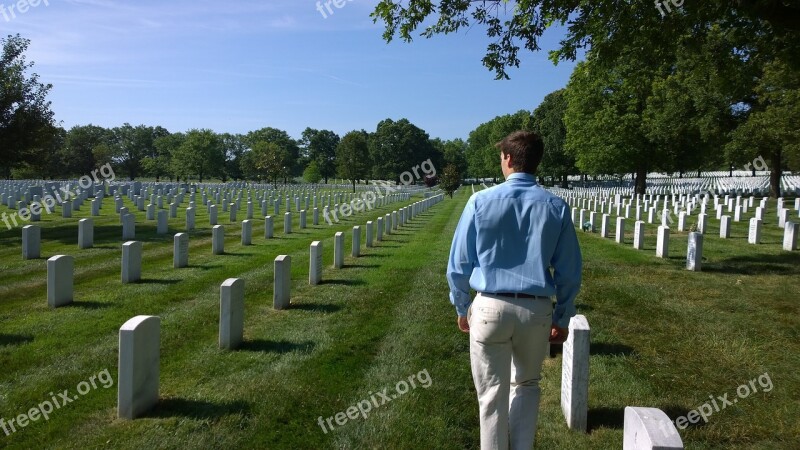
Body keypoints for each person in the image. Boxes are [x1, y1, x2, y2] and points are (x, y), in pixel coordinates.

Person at [446, 130, 582, 449]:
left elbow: (458, 264)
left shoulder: (480, 201)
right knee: (527, 385)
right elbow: (569, 270)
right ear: (537, 162)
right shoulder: (556, 206)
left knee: (492, 395)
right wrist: (562, 316)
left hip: (490, 305)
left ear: (507, 158)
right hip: (535, 310)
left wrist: (460, 306)